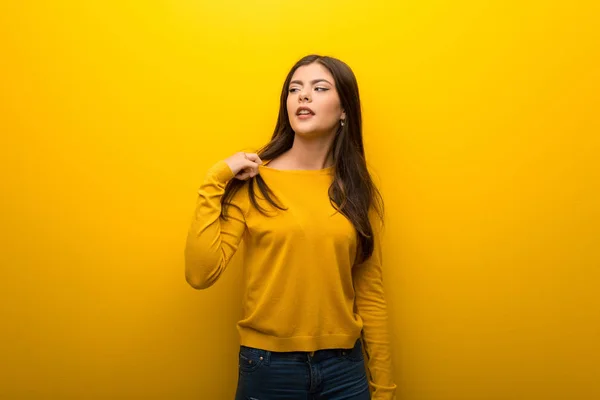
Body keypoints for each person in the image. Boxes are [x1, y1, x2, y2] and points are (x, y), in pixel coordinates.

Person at [184, 54, 397, 399]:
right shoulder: (254, 181)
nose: (303, 95)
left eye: (319, 87)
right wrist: (215, 179)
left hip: (345, 370)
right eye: (295, 88)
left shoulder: (355, 189)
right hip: (268, 369)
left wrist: (384, 388)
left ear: (344, 110)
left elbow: (370, 296)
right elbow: (200, 273)